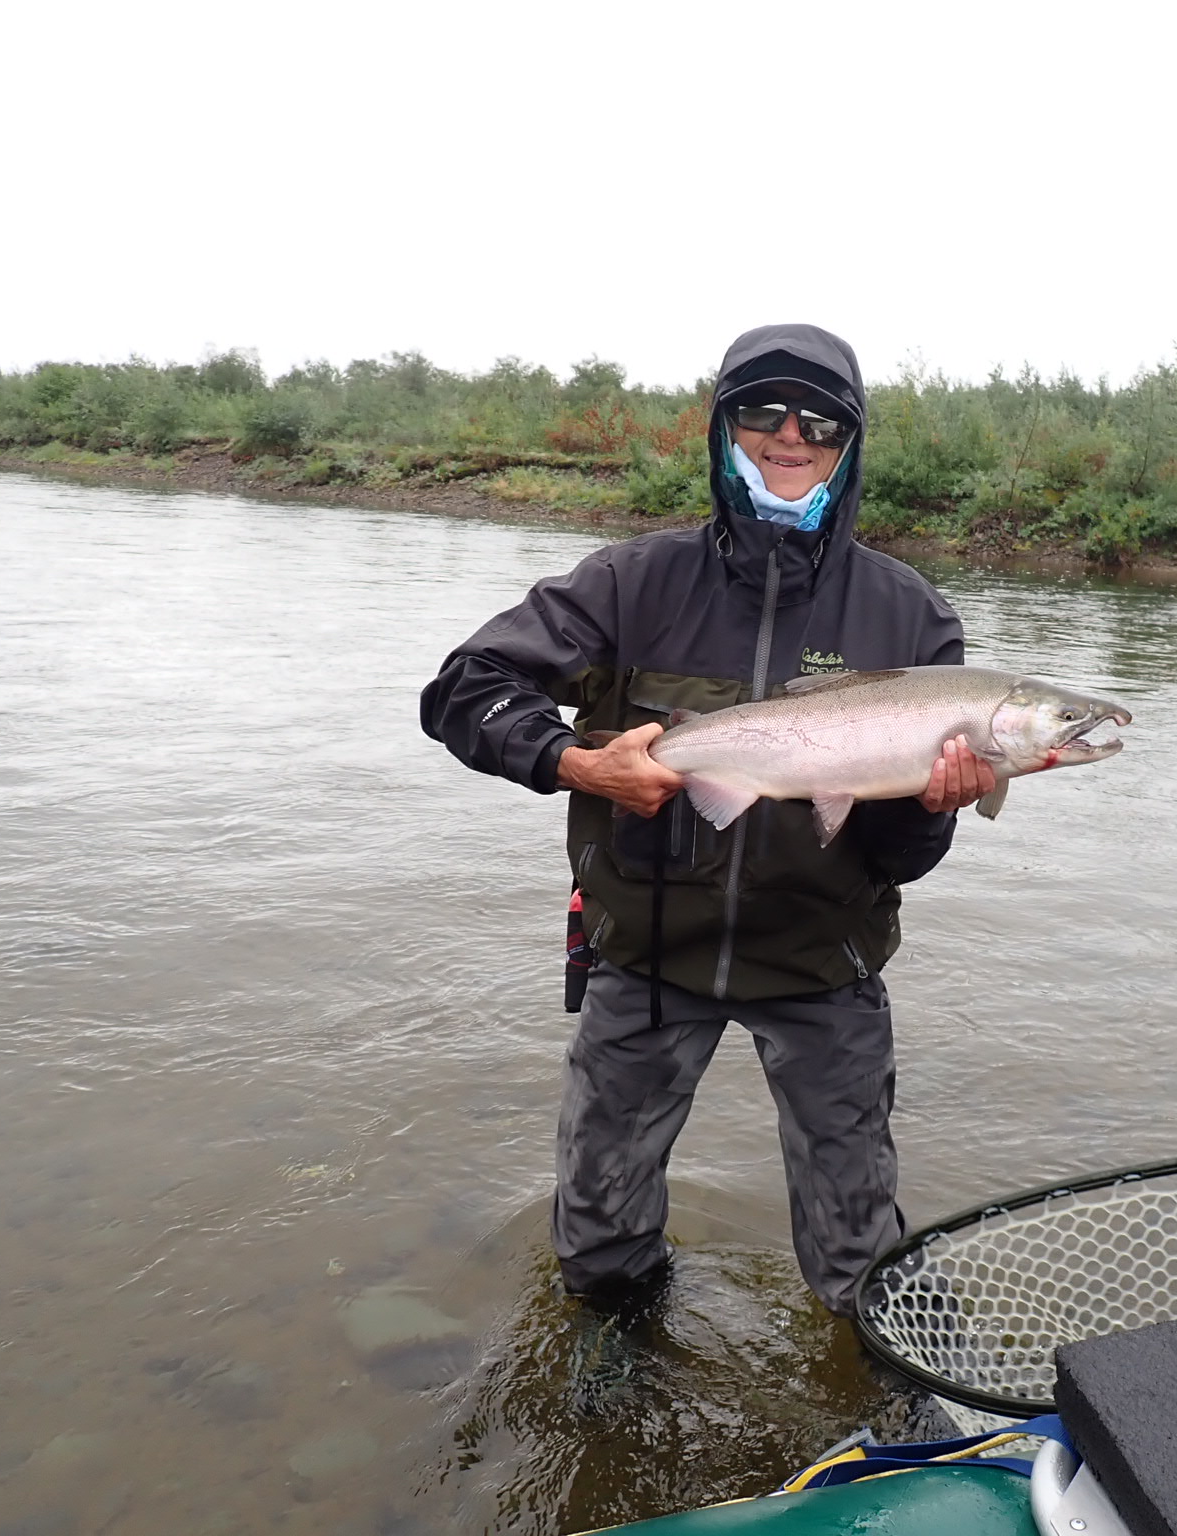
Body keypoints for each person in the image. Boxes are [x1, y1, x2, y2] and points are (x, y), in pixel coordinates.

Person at [421, 323, 997, 1317]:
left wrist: (932, 805)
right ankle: (610, 1367)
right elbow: (462, 689)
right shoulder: (628, 582)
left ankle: (900, 1409)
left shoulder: (909, 618)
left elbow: (900, 858)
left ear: (846, 445)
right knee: (598, 1238)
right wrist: (574, 761)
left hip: (827, 968)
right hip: (644, 957)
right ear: (721, 429)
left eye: (819, 419)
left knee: (865, 1255)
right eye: (761, 410)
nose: (789, 434)